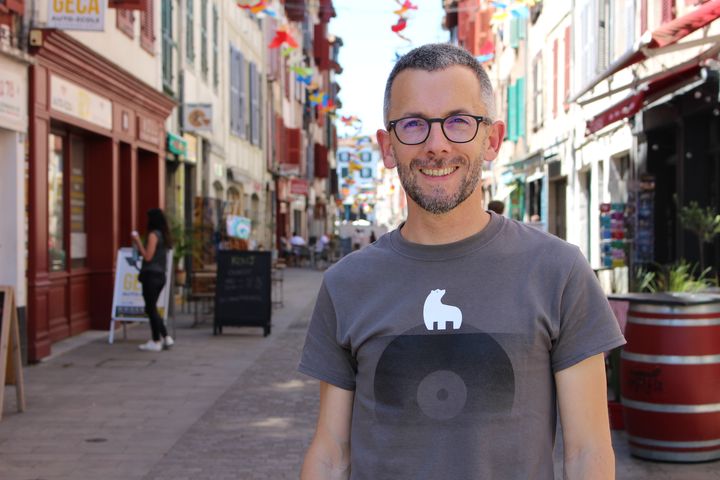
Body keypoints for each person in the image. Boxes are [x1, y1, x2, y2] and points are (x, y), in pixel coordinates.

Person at [299, 43, 625, 480]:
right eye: (414, 124)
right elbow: (330, 453)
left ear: (491, 139)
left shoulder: (559, 271)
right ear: (387, 146)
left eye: (458, 122)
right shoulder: (345, 283)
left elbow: (587, 453)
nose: (437, 145)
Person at [131, 208, 174, 352]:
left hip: (151, 276)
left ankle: (156, 340)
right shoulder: (163, 235)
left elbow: (147, 256)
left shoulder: (153, 235)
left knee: (150, 308)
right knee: (152, 308)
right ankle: (165, 337)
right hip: (160, 275)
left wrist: (137, 241)